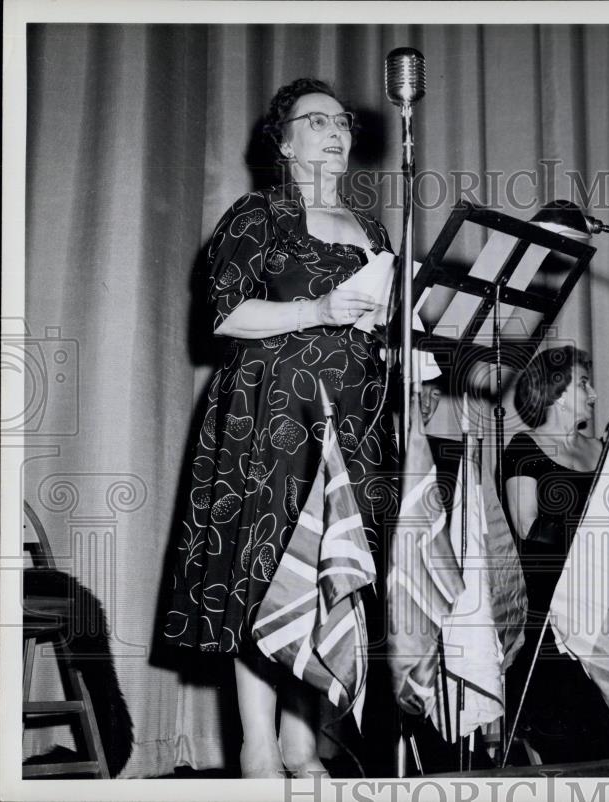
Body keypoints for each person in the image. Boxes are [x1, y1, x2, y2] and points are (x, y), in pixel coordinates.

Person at [163, 78, 398, 777]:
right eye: (315, 120)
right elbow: (226, 316)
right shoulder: (257, 214)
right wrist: (322, 308)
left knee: (329, 572)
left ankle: (304, 743)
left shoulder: (374, 232)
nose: (334, 131)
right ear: (285, 142)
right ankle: (259, 749)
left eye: (342, 122)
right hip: (271, 417)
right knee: (263, 572)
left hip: (352, 421)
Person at [500, 346, 609, 762]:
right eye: (583, 384)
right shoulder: (524, 448)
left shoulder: (601, 450)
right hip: (551, 585)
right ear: (555, 391)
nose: (594, 395)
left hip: (607, 582)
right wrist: (591, 531)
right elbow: (528, 528)